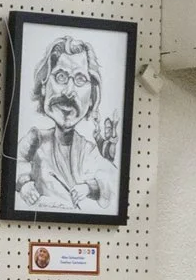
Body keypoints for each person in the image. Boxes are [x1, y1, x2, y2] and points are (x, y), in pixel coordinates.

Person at [16, 33, 120, 216]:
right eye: (61, 77)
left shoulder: (88, 150)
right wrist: (24, 185)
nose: (69, 91)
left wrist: (89, 187)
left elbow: (113, 181)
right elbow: (14, 163)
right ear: (43, 85)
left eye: (80, 80)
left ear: (91, 97)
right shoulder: (36, 139)